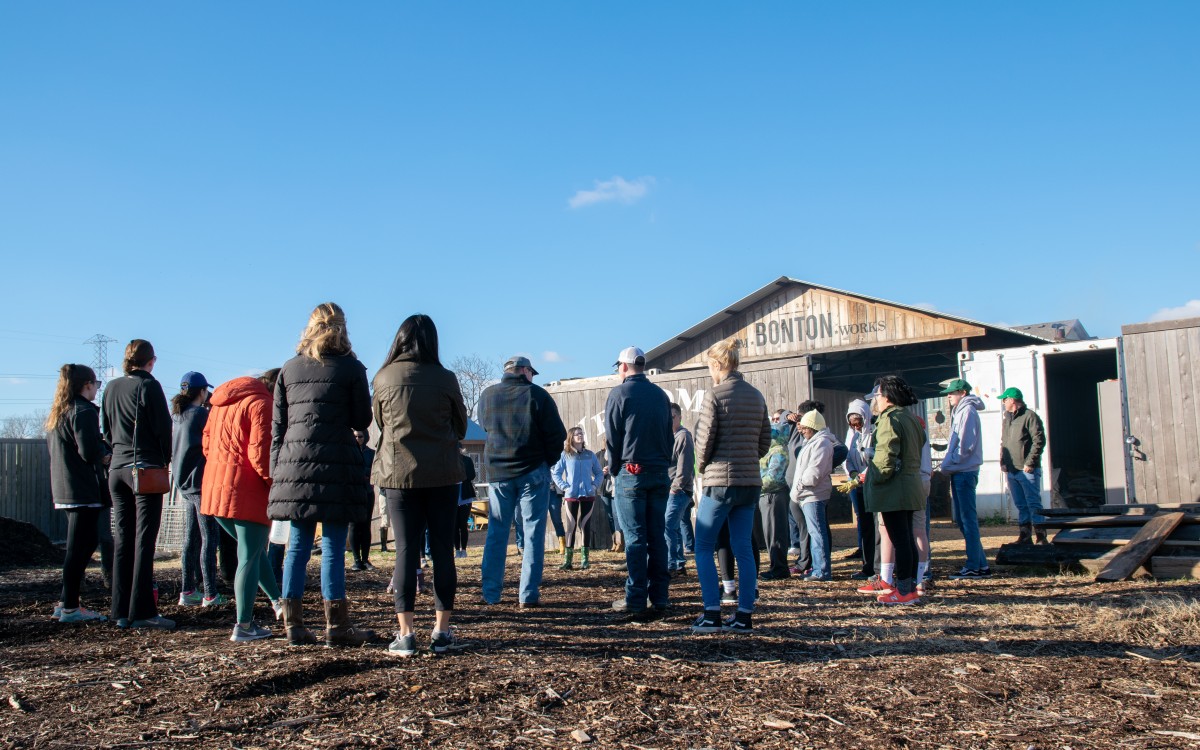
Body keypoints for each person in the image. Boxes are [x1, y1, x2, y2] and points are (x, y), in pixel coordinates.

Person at [269, 303, 375, 647]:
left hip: (294, 464)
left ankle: (294, 625)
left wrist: (277, 472)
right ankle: (337, 625)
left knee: (297, 545)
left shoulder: (288, 369)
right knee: (332, 545)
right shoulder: (351, 368)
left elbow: (278, 428)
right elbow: (362, 420)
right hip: (335, 461)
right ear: (342, 328)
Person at [372, 314, 469, 656]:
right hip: (442, 474)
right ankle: (441, 631)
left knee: (404, 552)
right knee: (443, 550)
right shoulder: (445, 378)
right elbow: (460, 425)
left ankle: (406, 633)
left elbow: (381, 422)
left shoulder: (383, 377)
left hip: (398, 474)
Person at [690, 339, 771, 633]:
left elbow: (704, 440)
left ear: (717, 365)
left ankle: (711, 612)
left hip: (719, 482)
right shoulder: (756, 396)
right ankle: (744, 615)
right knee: (744, 549)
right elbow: (765, 441)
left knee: (703, 546)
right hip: (749, 482)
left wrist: (702, 466)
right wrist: (747, 459)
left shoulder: (715, 395)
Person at [478, 355, 567, 608]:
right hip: (532, 471)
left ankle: (491, 593)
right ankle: (527, 594)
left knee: (497, 532)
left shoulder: (488, 395)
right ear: (525, 371)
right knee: (532, 532)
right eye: (532, 373)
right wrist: (547, 461)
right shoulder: (538, 396)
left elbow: (485, 426)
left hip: (498, 473)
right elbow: (557, 435)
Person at [202, 372, 284, 642]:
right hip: (247, 490)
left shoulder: (220, 403)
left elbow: (206, 443)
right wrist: (275, 484)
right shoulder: (262, 403)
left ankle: (277, 602)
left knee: (253, 552)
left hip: (215, 489)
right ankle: (244, 625)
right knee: (248, 556)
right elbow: (260, 453)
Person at [102, 339, 175, 630]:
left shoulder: (110, 387)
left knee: (123, 539)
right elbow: (163, 427)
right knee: (144, 539)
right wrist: (164, 460)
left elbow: (105, 429)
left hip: (116, 470)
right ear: (151, 361)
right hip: (143, 470)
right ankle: (143, 610)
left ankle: (119, 610)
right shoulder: (149, 386)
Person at [606, 346, 674, 619]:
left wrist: (614, 469)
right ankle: (660, 597)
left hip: (631, 470)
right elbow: (669, 435)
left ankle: (635, 598)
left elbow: (612, 437)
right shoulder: (660, 395)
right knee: (658, 537)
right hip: (658, 471)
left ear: (623, 367)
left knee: (635, 539)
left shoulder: (620, 393)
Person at [46, 364, 110, 623]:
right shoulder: (83, 411)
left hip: (64, 487)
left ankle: (65, 602)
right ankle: (71, 607)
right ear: (86, 385)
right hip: (82, 489)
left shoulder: (60, 412)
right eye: (96, 385)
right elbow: (88, 451)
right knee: (79, 547)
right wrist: (106, 456)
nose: (97, 389)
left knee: (78, 546)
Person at [863, 376, 927, 605]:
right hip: (910, 484)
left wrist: (875, 478)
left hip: (894, 489)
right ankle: (908, 587)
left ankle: (903, 591)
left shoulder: (889, 419)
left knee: (900, 539)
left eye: (877, 396)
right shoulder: (909, 417)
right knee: (906, 538)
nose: (876, 401)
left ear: (886, 397)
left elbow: (886, 455)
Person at [172, 371, 225, 608]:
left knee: (191, 538)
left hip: (183, 483)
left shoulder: (178, 416)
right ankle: (211, 593)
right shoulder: (201, 414)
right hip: (201, 482)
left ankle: (187, 590)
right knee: (209, 538)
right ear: (202, 391)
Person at [937, 378, 989, 580]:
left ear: (963, 393)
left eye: (953, 392)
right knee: (963, 519)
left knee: (967, 520)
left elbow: (965, 445)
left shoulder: (967, 411)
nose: (949, 395)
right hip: (961, 470)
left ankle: (973, 566)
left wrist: (950, 463)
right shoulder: (961, 410)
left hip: (964, 472)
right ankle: (981, 565)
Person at [790, 409, 836, 581]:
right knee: (815, 532)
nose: (802, 430)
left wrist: (800, 486)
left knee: (817, 533)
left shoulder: (821, 443)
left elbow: (814, 473)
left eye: (805, 427)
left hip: (813, 494)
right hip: (808, 494)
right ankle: (818, 567)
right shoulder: (814, 442)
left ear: (813, 427)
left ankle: (822, 570)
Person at [999, 387, 1048, 545]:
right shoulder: (1007, 418)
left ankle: (1041, 537)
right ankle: (1025, 536)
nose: (1003, 402)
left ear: (1012, 400)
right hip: (1012, 469)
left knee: (1033, 503)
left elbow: (1039, 440)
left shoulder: (1030, 416)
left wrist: (1030, 462)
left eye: (1004, 399)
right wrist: (1003, 461)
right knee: (1021, 504)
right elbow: (1004, 442)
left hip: (1027, 469)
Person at [551, 427, 603, 571]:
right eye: (576, 434)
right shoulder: (565, 455)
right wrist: (564, 486)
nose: (580, 436)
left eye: (581, 433)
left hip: (588, 495)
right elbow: (556, 474)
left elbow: (599, 473)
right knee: (571, 526)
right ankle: (568, 560)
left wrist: (594, 486)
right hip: (571, 496)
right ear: (571, 438)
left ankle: (585, 560)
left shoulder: (590, 455)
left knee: (585, 525)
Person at [843, 399, 874, 580]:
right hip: (858, 484)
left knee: (873, 526)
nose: (856, 427)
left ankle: (875, 564)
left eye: (858, 423)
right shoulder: (852, 435)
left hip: (870, 484)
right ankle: (866, 563)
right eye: (852, 424)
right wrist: (853, 472)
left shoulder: (874, 432)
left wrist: (864, 474)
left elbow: (876, 457)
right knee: (864, 525)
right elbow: (848, 456)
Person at [664, 403, 695, 576]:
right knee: (673, 527)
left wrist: (675, 488)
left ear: (679, 417)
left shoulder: (683, 436)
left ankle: (671, 563)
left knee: (668, 525)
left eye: (672, 417)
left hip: (679, 490)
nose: (669, 420)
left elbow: (686, 466)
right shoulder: (666, 437)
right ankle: (678, 564)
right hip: (667, 489)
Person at [757, 417, 790, 580]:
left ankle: (779, 568)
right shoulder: (770, 450)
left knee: (775, 532)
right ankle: (775, 566)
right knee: (770, 533)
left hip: (773, 495)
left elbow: (773, 477)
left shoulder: (779, 451)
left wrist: (755, 485)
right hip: (767, 495)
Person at [348, 430, 377, 571]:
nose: (358, 439)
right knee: (353, 526)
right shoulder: (348, 452)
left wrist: (361, 472)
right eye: (355, 436)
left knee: (366, 525)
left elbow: (374, 471)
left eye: (360, 436)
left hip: (367, 492)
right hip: (352, 493)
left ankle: (365, 559)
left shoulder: (371, 453)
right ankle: (356, 559)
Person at [455, 446, 477, 558]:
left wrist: (462, 475)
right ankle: (456, 550)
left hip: (465, 494)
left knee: (463, 524)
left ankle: (463, 549)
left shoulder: (467, 460)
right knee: (454, 525)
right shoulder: (449, 460)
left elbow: (472, 475)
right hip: (453, 496)